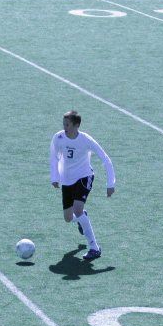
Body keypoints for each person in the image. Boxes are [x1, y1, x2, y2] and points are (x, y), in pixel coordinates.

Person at [49, 110, 115, 261]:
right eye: (64, 124)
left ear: (76, 125)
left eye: (68, 125)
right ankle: (81, 219)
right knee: (68, 218)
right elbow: (53, 157)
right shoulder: (58, 137)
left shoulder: (86, 140)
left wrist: (110, 183)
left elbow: (105, 159)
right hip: (67, 180)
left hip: (84, 177)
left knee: (77, 209)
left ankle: (94, 248)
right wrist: (55, 177)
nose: (64, 127)